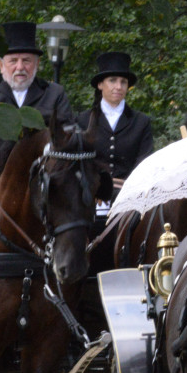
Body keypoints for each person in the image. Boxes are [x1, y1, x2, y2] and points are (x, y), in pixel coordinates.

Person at [0, 21, 74, 177]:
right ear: (1, 65)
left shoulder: (55, 94)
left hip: (43, 174)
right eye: (13, 61)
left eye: (26, 60)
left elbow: (67, 132)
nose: (20, 67)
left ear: (37, 63)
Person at [76, 51, 154, 236]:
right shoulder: (82, 120)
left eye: (123, 82)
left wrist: (128, 189)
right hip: (91, 198)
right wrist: (96, 188)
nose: (118, 86)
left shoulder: (141, 121)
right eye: (112, 80)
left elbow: (144, 161)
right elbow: (78, 163)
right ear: (100, 84)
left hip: (129, 200)